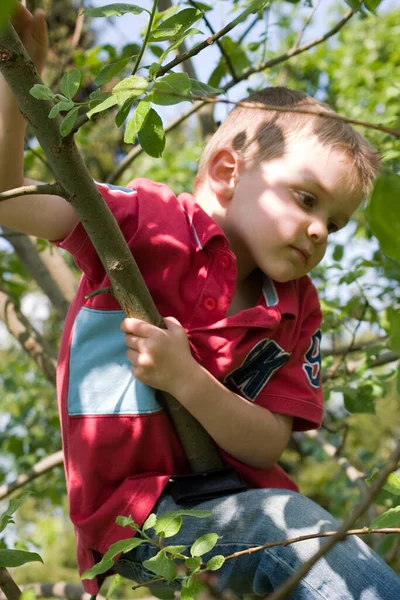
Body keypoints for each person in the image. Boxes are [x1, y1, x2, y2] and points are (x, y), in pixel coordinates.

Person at [1, 4, 399, 599]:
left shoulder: (297, 308)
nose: (319, 231)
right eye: (306, 198)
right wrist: (18, 83)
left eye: (335, 223)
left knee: (315, 540)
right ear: (226, 170)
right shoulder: (146, 222)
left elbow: (267, 440)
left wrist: (186, 380)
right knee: (305, 541)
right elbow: (9, 200)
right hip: (135, 517)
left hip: (237, 502)